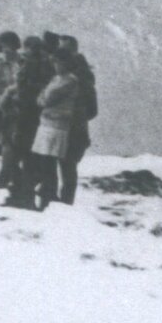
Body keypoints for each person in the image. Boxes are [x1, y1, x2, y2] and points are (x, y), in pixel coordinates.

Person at [10, 47, 79, 210]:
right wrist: (43, 97)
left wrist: (44, 97)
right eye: (55, 62)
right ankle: (46, 199)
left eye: (59, 62)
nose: (56, 65)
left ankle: (48, 200)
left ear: (66, 63)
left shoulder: (69, 80)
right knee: (45, 164)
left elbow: (46, 98)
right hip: (47, 124)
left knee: (49, 163)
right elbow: (41, 98)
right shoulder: (57, 79)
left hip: (58, 126)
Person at [1, 35, 53, 199]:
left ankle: (22, 190)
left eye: (27, 48)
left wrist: (16, 95)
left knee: (21, 151)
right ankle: (23, 188)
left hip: (27, 112)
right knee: (27, 153)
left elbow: (25, 87)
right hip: (32, 113)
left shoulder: (32, 64)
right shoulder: (44, 64)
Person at [56, 35, 98, 205]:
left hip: (71, 128)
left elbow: (92, 109)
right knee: (67, 167)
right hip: (75, 127)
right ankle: (64, 203)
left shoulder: (77, 76)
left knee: (67, 166)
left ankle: (64, 204)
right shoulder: (83, 74)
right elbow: (93, 110)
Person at [0, 32, 23, 179]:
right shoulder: (0, 67)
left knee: (17, 141)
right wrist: (0, 99)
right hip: (6, 107)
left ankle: (10, 173)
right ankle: (7, 173)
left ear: (15, 47)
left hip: (21, 106)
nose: (6, 51)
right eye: (3, 48)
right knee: (6, 140)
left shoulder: (23, 64)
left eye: (9, 47)